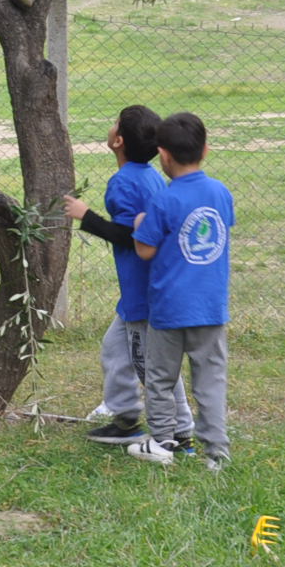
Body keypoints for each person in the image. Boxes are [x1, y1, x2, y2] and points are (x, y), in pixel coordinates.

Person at [61, 105, 191, 446]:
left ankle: (180, 431)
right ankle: (126, 420)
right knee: (115, 351)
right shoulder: (149, 176)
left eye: (114, 122)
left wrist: (85, 215)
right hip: (149, 288)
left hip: (145, 293)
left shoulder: (123, 183)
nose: (110, 126)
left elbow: (130, 236)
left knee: (151, 366)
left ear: (118, 141)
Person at [130, 113, 234, 469]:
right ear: (205, 149)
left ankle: (163, 443)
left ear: (163, 155)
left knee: (160, 378)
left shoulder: (164, 200)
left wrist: (140, 224)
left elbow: (145, 250)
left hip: (169, 308)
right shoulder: (220, 192)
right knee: (210, 380)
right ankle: (216, 453)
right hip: (210, 307)